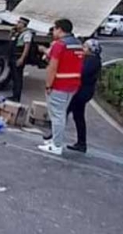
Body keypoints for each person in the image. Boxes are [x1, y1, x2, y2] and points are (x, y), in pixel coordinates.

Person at [38, 19, 84, 156]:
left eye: (54, 29)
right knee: (61, 114)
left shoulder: (60, 45)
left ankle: (56, 145)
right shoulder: (78, 44)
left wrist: (48, 85)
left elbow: (53, 67)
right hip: (73, 84)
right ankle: (54, 140)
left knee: (57, 116)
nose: (53, 32)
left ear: (60, 29)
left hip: (59, 84)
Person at [66, 38, 102, 153]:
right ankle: (81, 143)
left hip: (82, 92)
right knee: (77, 116)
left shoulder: (92, 61)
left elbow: (81, 72)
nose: (83, 48)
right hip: (81, 91)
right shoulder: (90, 59)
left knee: (66, 112)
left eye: (85, 47)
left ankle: (55, 135)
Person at [7, 17, 33, 102]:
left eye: (19, 23)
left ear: (23, 24)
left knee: (18, 78)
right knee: (14, 77)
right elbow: (10, 39)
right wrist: (12, 32)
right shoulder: (18, 32)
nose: (17, 24)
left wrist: (22, 58)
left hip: (18, 57)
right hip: (13, 56)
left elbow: (27, 47)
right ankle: (14, 95)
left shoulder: (27, 34)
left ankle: (17, 97)